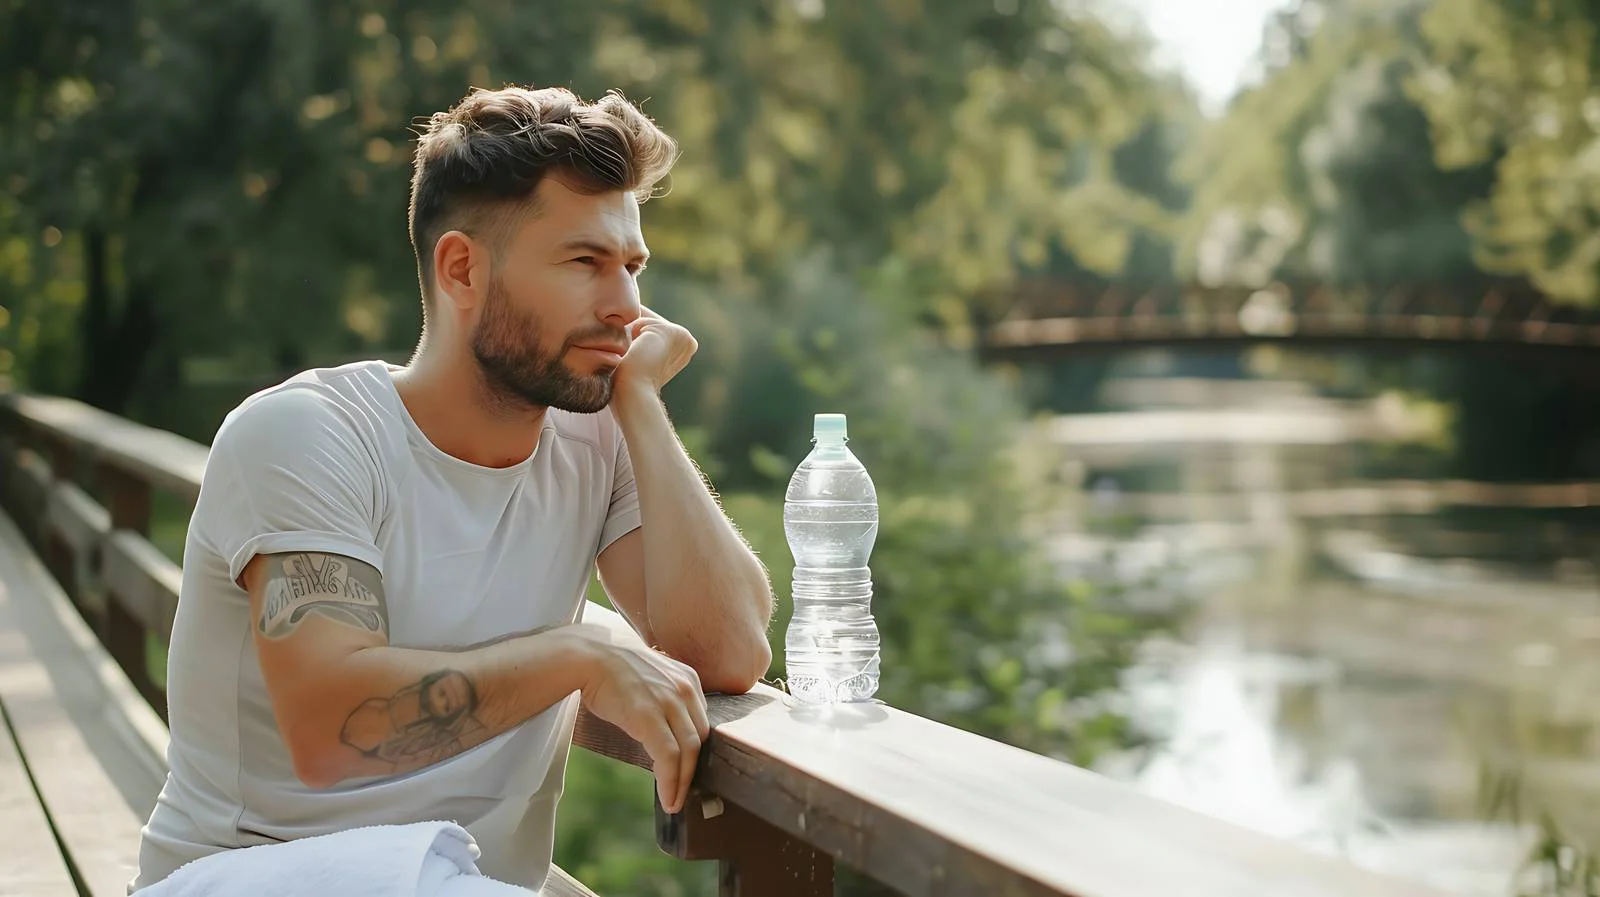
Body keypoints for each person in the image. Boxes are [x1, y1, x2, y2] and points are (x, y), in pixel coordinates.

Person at [132, 84, 775, 892]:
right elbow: (334, 730)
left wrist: (640, 409)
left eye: (632, 266)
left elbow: (728, 653)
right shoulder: (305, 435)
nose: (627, 308)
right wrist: (581, 653)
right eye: (585, 263)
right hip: (252, 876)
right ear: (462, 268)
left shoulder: (595, 438)